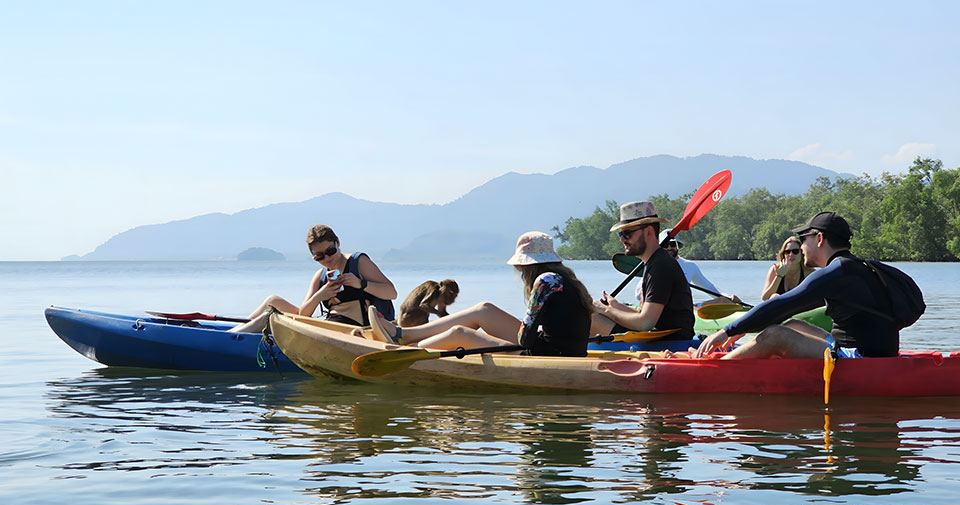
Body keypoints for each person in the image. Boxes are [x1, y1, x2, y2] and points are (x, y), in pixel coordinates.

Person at [695, 212, 901, 359]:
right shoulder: (856, 267)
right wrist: (746, 327)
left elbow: (783, 304)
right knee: (793, 324)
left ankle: (715, 367)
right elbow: (785, 310)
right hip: (866, 349)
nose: (801, 247)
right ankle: (744, 355)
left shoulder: (835, 273)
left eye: (803, 239)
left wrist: (726, 331)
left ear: (819, 239)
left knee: (776, 335)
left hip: (857, 357)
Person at [368, 231, 592, 356]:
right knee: (483, 309)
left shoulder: (544, 281)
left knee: (460, 333)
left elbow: (525, 340)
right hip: (557, 348)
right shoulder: (564, 279)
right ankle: (402, 334)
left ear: (527, 266)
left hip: (548, 356)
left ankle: (404, 350)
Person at [230, 224, 397, 332]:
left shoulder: (358, 262)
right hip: (331, 325)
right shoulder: (320, 276)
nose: (327, 259)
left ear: (337, 242)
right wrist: (321, 295)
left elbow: (391, 293)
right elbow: (304, 314)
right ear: (313, 257)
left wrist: (360, 283)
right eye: (320, 256)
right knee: (272, 301)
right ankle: (234, 332)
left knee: (269, 317)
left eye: (330, 251)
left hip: (355, 329)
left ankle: (231, 338)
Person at [591, 201, 694, 341]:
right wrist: (616, 306)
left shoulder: (660, 265)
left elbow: (645, 323)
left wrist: (605, 310)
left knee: (591, 318)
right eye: (620, 234)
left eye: (627, 233)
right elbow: (644, 316)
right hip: (658, 337)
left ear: (649, 232)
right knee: (593, 313)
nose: (622, 239)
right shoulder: (654, 262)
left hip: (668, 343)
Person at [643, 229, 741, 305]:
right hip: (658, 308)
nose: (669, 248)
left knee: (722, 301)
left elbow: (709, 288)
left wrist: (729, 298)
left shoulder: (690, 266)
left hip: (685, 308)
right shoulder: (654, 265)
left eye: (672, 244)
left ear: (678, 246)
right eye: (665, 244)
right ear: (659, 246)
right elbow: (639, 294)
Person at [760, 236, 816, 301]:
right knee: (774, 296)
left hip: (800, 308)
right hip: (779, 309)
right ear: (783, 254)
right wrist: (779, 276)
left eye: (795, 251)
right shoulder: (775, 270)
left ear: (802, 253)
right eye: (787, 252)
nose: (791, 254)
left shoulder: (809, 273)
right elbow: (764, 298)